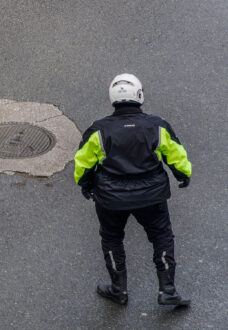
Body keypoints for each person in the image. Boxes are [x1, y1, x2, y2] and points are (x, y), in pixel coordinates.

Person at [73, 74, 191, 306]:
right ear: (139, 95)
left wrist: (85, 185)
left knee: (112, 238)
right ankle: (167, 289)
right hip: (152, 195)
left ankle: (119, 290)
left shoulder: (98, 129)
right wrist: (183, 175)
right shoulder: (158, 125)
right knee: (161, 236)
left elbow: (83, 163)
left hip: (110, 198)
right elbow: (176, 155)